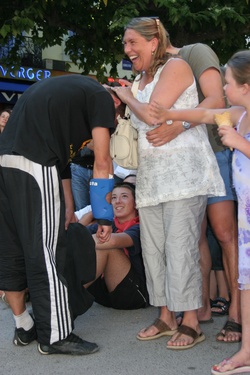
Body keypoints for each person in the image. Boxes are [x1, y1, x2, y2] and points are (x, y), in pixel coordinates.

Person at [112, 17, 225, 349]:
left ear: (153, 42)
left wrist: (125, 94)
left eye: (133, 42)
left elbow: (152, 115)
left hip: (183, 174)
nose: (127, 49)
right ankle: (165, 316)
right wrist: (129, 94)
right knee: (154, 250)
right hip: (151, 177)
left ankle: (191, 321)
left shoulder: (176, 67)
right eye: (125, 43)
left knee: (181, 247)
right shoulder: (141, 79)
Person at [149, 49, 250, 373]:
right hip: (247, 217)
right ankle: (247, 350)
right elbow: (207, 115)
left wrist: (240, 142)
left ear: (246, 87)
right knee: (246, 283)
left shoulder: (239, 124)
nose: (223, 89)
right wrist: (170, 112)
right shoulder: (238, 114)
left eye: (229, 83)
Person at [0, 74, 116, 356]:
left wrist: (67, 206)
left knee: (12, 248)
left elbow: (62, 165)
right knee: (47, 251)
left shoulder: (65, 95)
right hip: (36, 161)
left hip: (6, 160)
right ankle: (55, 335)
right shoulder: (102, 98)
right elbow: (102, 161)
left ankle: (23, 325)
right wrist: (104, 217)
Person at [84, 181, 149, 310]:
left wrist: (77, 241)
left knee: (107, 248)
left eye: (124, 196)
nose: (117, 201)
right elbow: (77, 232)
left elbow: (113, 241)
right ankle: (61, 294)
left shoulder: (140, 227)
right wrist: (97, 209)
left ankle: (66, 297)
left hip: (134, 294)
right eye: (113, 198)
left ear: (136, 203)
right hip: (104, 294)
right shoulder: (109, 224)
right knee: (71, 241)